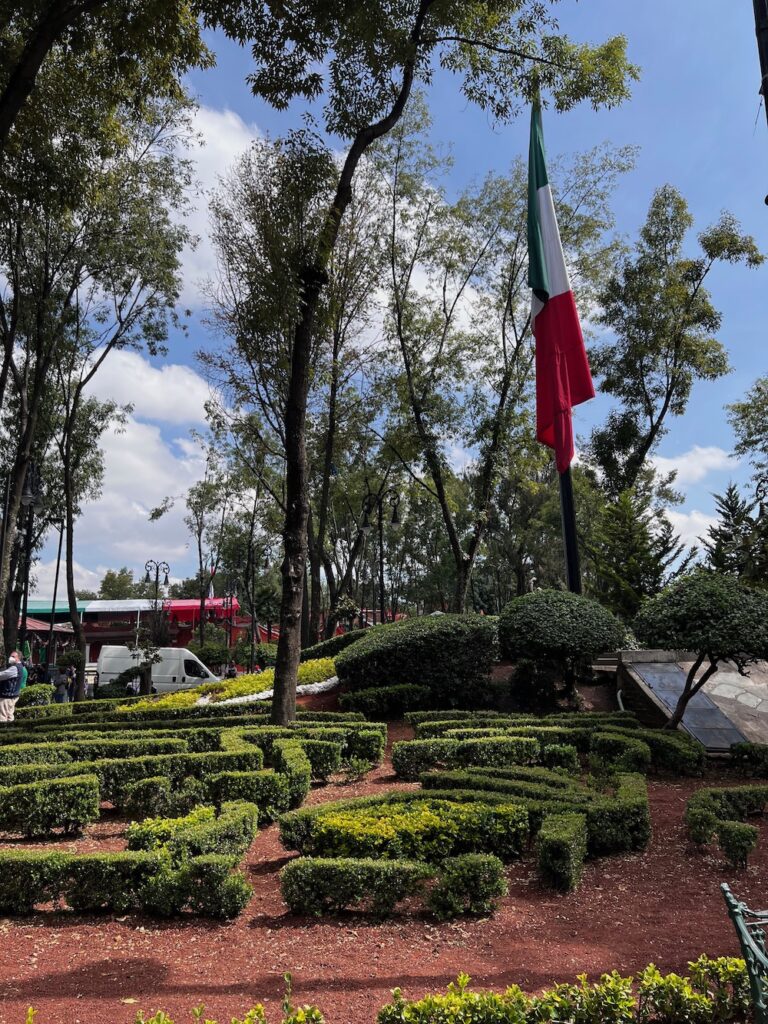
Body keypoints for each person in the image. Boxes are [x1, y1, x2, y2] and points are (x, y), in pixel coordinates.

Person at [0, 651, 23, 722]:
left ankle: (3, 731)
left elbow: (1, 675)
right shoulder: (19, 667)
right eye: (10, 656)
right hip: (12, 696)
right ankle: (10, 731)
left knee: (2, 717)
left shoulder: (15, 668)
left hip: (7, 696)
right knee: (9, 716)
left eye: (13, 657)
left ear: (18, 658)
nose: (10, 658)